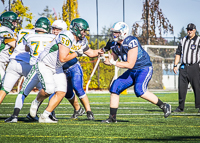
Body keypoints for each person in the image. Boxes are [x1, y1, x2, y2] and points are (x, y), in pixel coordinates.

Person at [28, 18, 101, 123]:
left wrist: (103, 51)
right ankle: (36, 101)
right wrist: (77, 53)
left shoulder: (81, 40)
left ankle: (45, 116)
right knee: (49, 90)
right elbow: (63, 58)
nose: (84, 33)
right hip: (45, 64)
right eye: (83, 30)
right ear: (76, 29)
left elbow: (91, 53)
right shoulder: (66, 36)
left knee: (62, 91)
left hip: (57, 67)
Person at [101, 22, 171, 123]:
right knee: (115, 87)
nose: (114, 35)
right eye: (113, 32)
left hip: (143, 68)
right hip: (132, 70)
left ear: (123, 33)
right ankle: (112, 118)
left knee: (140, 91)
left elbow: (130, 64)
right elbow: (111, 61)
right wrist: (104, 60)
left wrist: (114, 62)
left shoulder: (131, 41)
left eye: (116, 32)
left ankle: (164, 105)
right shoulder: (115, 45)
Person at [4, 17, 54, 122]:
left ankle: (14, 116)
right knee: (47, 91)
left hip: (34, 67)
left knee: (23, 92)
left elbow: (26, 49)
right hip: (45, 68)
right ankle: (48, 113)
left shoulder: (29, 36)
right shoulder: (52, 37)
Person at [173, 23, 200, 113]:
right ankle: (180, 107)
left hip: (194, 67)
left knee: (197, 87)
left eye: (191, 30)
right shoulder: (183, 40)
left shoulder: (199, 40)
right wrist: (175, 65)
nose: (189, 31)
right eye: (188, 29)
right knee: (181, 88)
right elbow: (178, 53)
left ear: (195, 30)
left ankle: (199, 106)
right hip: (184, 67)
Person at [0, 11, 18, 90]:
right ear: (7, 21)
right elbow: (15, 45)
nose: (15, 23)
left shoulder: (11, 31)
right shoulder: (4, 30)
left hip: (3, 62)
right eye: (14, 21)